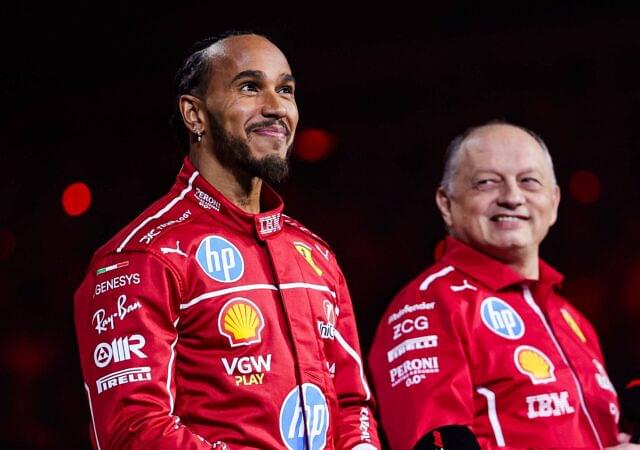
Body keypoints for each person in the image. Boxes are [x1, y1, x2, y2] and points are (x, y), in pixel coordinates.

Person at [74, 32, 379, 450]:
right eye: (250, 87)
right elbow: (134, 429)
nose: (275, 108)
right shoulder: (142, 256)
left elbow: (350, 404)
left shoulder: (316, 254)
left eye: (285, 90)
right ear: (194, 114)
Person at [368, 121, 637, 449]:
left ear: (553, 202)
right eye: (486, 183)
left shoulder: (571, 318)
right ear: (446, 203)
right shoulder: (428, 306)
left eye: (529, 181)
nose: (511, 197)